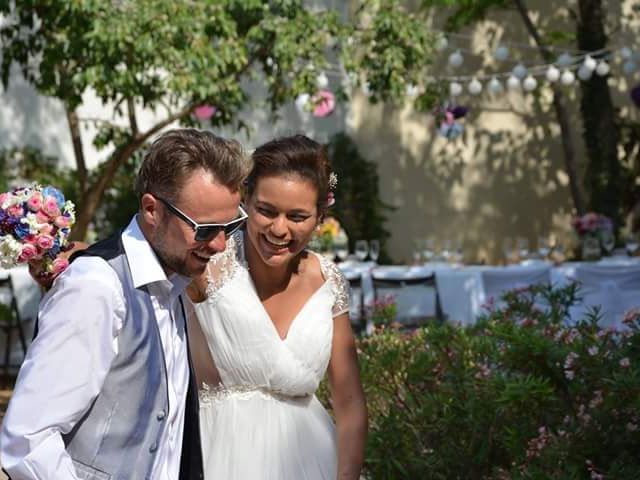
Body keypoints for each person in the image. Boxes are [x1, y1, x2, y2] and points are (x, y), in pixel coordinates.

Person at [0, 128, 249, 480]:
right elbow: (27, 440)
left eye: (232, 225)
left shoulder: (173, 280)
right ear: (152, 209)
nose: (221, 244)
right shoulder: (96, 287)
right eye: (206, 229)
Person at [186, 134, 368, 479]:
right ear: (246, 200)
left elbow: (350, 403)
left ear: (319, 218)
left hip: (312, 460)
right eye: (266, 211)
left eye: (297, 216)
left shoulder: (329, 282)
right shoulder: (207, 263)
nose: (279, 229)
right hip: (217, 459)